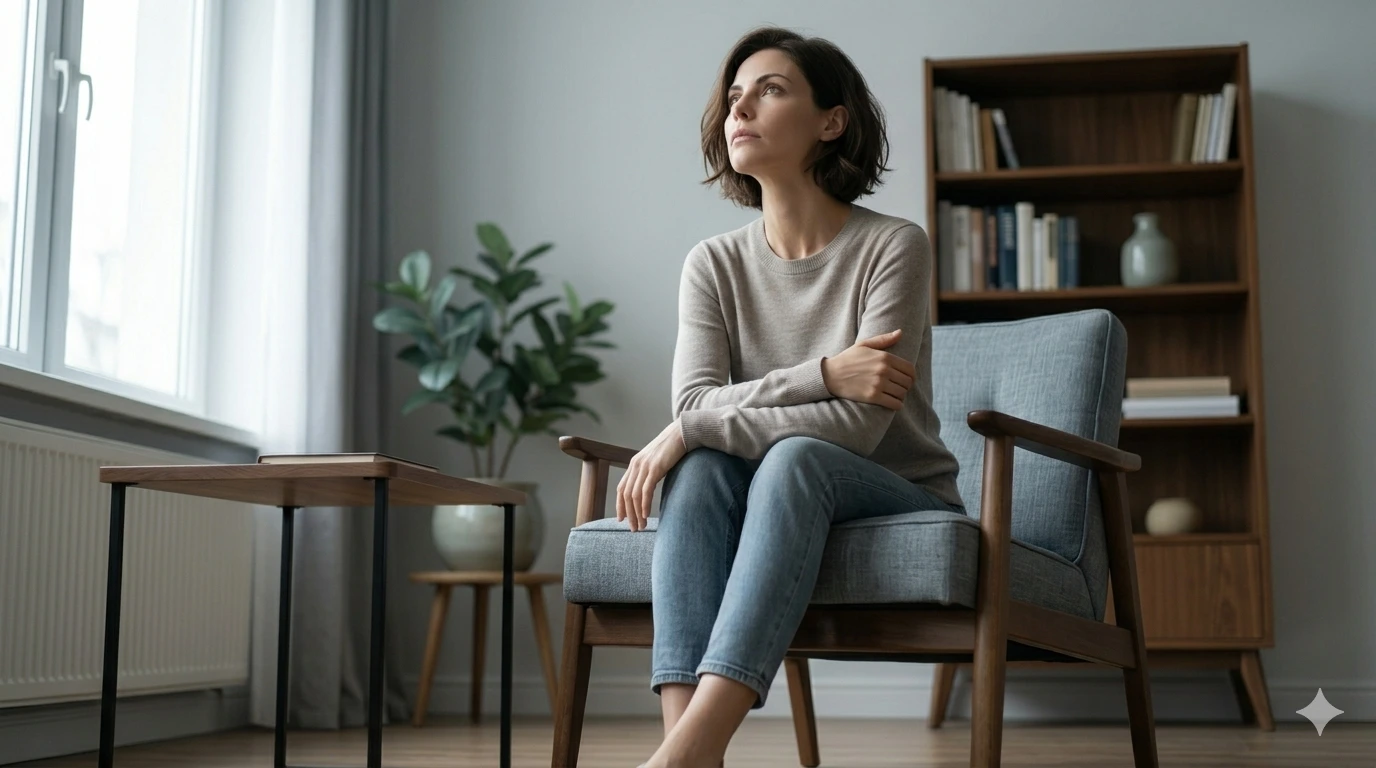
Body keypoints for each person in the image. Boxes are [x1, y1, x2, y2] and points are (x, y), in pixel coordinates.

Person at [615, 25, 965, 768]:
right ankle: (687, 749)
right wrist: (822, 373)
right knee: (703, 466)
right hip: (779, 471)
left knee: (792, 457)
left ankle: (686, 754)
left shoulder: (894, 246)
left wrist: (700, 424)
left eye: (770, 91)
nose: (739, 109)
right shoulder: (712, 264)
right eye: (734, 97)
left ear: (830, 121)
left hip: (898, 488)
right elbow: (696, 406)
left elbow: (859, 430)